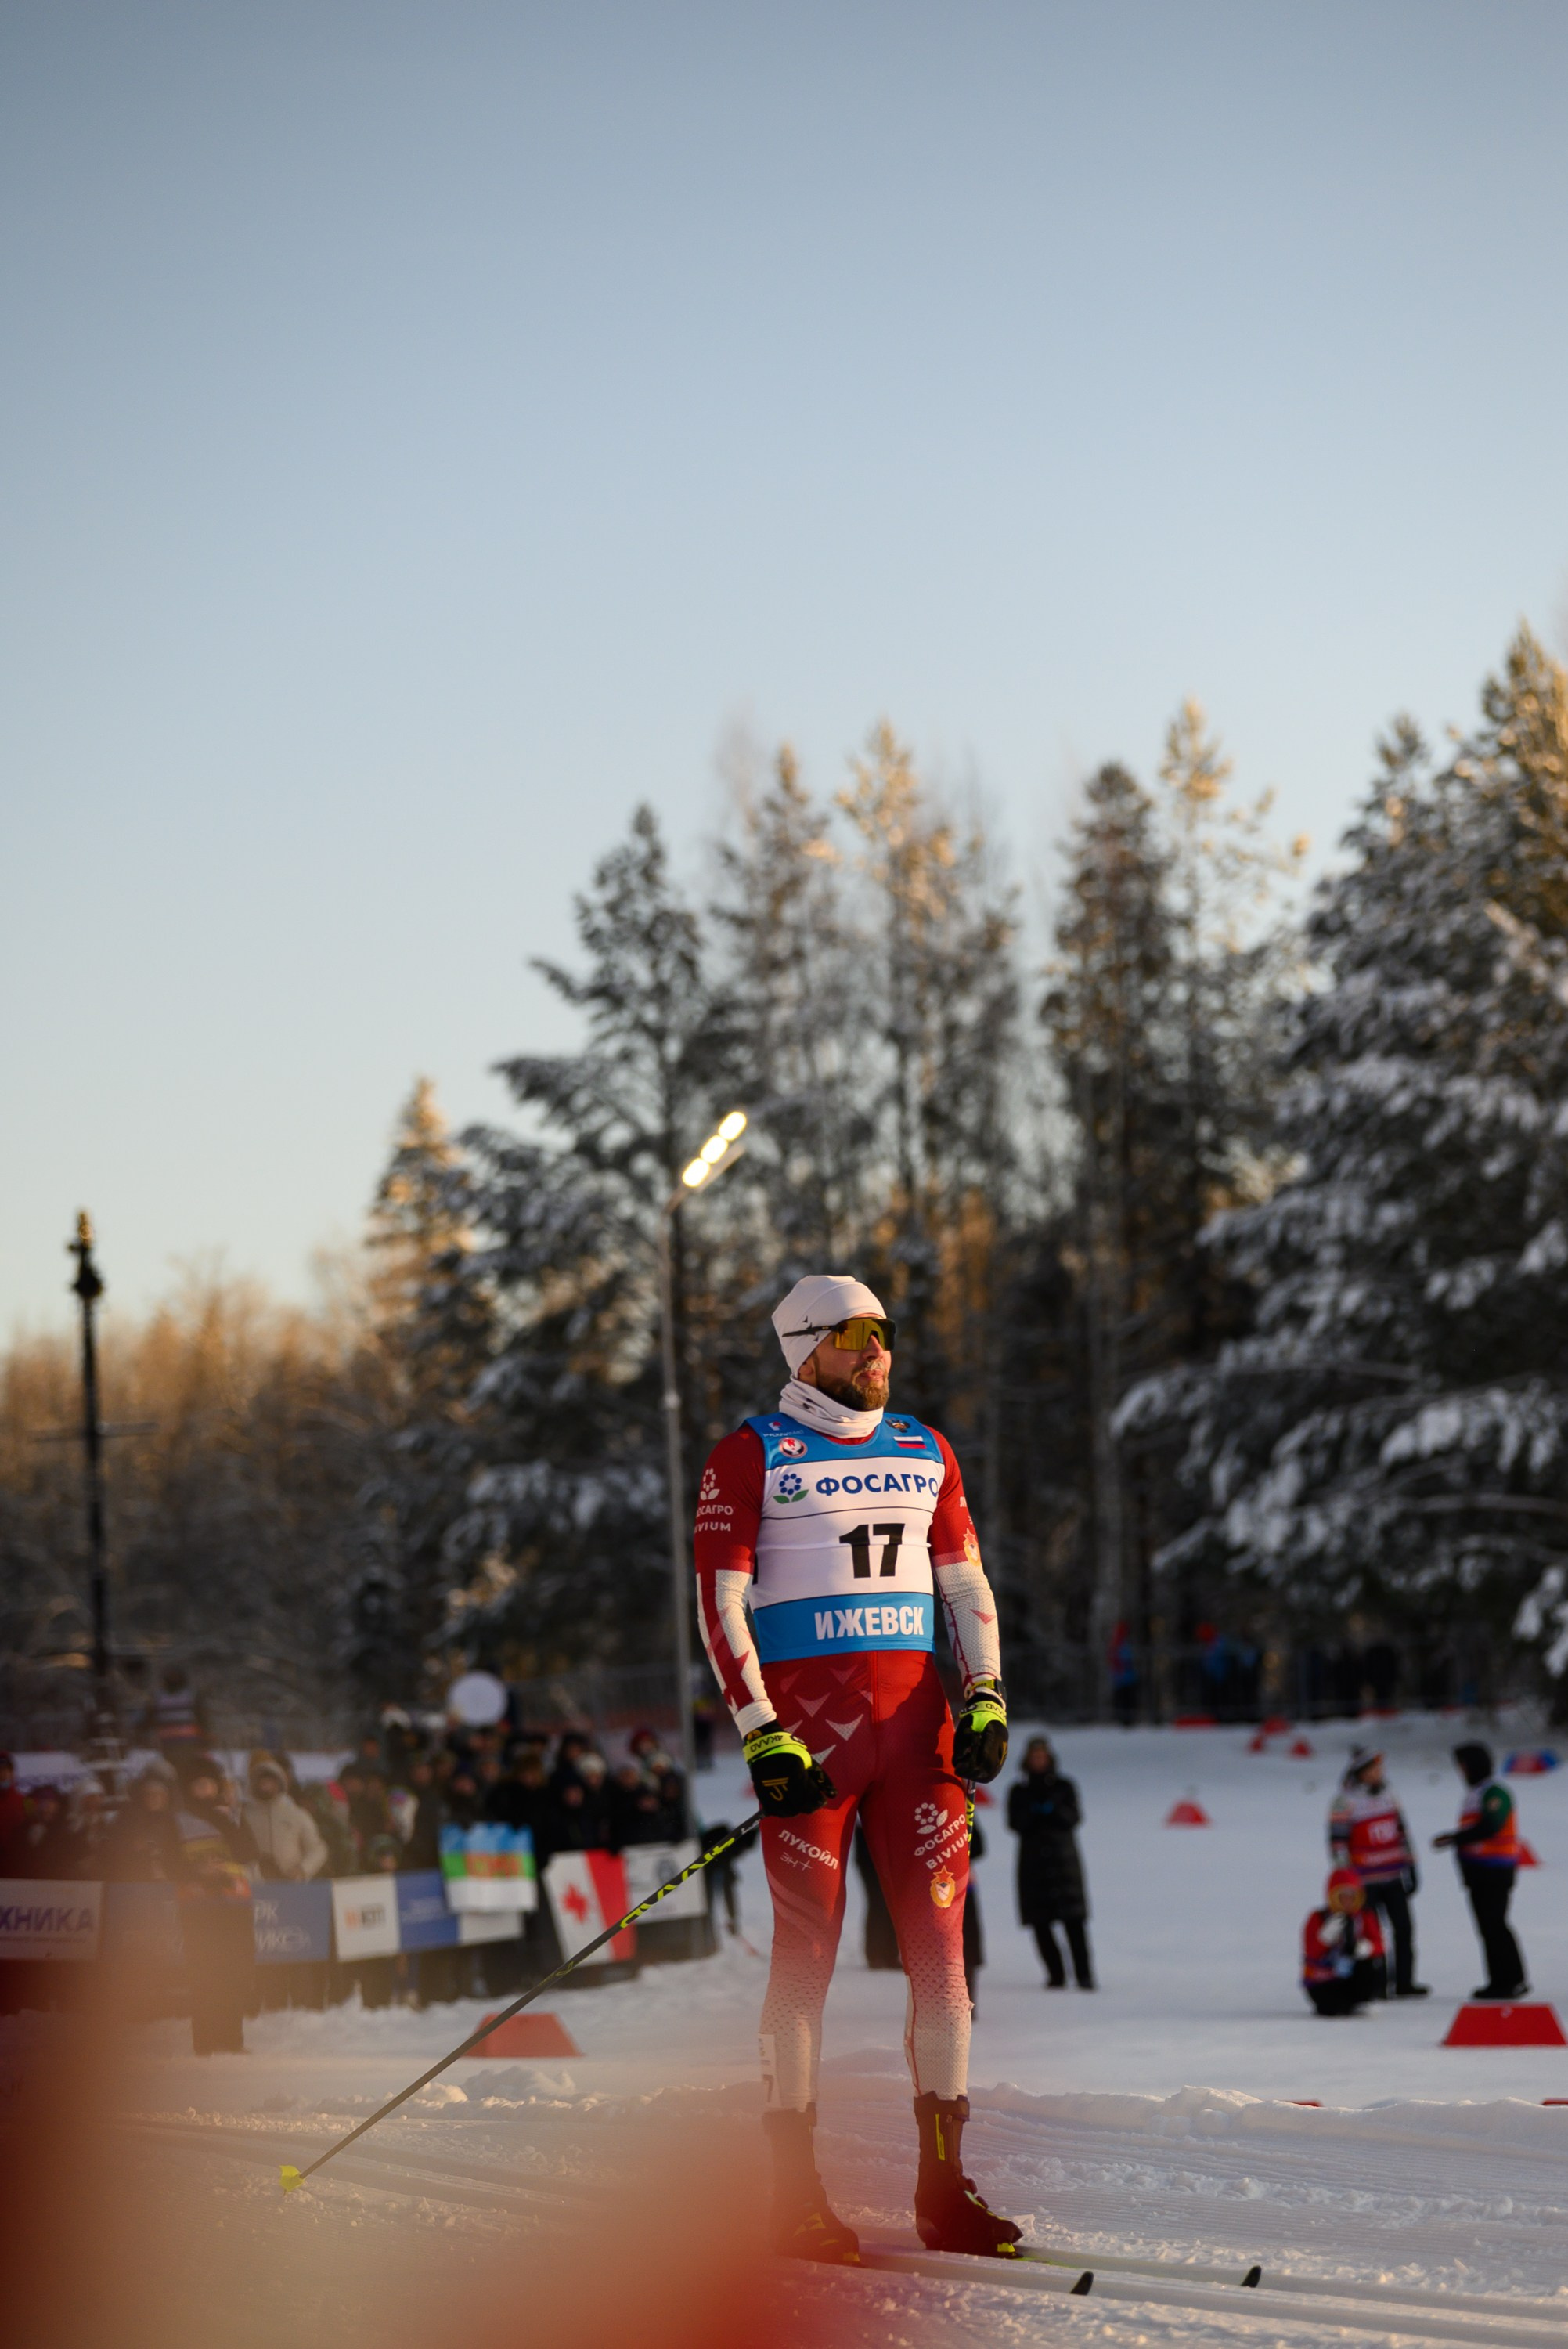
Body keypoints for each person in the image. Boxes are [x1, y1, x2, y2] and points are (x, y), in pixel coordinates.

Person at [694, 1272, 1015, 2261]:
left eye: (885, 1331)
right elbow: (719, 1603)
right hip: (811, 1745)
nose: (877, 1350)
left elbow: (963, 1582)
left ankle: (941, 2188)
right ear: (803, 1351)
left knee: (942, 1965)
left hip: (917, 1742)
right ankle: (793, 2194)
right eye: (853, 1334)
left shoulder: (924, 1448)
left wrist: (987, 1693)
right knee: (805, 1964)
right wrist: (757, 1729)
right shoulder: (750, 1453)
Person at [172, 1755, 258, 2055]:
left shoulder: (232, 1815)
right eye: (198, 1785)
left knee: (235, 1973)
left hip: (234, 1906)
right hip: (198, 1910)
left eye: (209, 1784)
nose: (205, 1790)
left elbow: (248, 1852)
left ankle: (233, 2040)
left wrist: (223, 1819)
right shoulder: (178, 1820)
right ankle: (205, 2043)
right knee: (205, 1974)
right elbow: (170, 1865)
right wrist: (199, 1873)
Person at [1328, 1748, 1427, 1998]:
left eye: (1380, 1770)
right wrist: (1346, 1878)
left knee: (1404, 1929)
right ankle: (1377, 1983)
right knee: (1372, 1934)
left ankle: (1404, 1981)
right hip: (1365, 1881)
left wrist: (1411, 1865)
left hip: (1393, 1876)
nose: (1378, 1774)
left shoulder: (1389, 1796)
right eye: (1373, 1770)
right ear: (1360, 1774)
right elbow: (1338, 1844)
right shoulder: (1344, 1802)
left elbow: (1402, 1833)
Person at [1433, 1741, 1528, 1999]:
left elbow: (1491, 1826)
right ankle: (1502, 1979)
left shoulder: (1494, 1792)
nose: (1461, 1771)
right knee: (1488, 1926)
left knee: (1495, 1924)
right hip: (1478, 1871)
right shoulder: (1475, 1794)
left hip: (1495, 1869)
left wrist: (1455, 1839)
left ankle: (1508, 1980)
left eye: (1463, 1766)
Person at [1007, 1737, 1093, 1990]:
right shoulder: (1019, 1791)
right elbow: (1015, 1823)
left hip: (1064, 1862)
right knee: (1040, 1923)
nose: (1038, 1761)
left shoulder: (1064, 1787)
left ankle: (1084, 1975)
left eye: (1042, 1757)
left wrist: (1053, 1810)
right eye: (1034, 1757)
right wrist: (1034, 1814)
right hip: (1033, 1865)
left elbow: (1074, 1817)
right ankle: (1056, 1975)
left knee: (1074, 1922)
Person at [1302, 1868, 1387, 2016]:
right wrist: (1324, 1939)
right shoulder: (1318, 1918)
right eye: (1342, 1896)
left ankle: (1361, 2000)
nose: (1347, 1901)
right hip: (1324, 1978)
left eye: (1352, 1896)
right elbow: (1311, 1953)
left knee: (1371, 1966)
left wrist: (1365, 1948)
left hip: (1353, 1975)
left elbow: (1380, 1945)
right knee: (1330, 2008)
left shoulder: (1365, 1917)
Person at [242, 1755, 328, 1882]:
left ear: (280, 1784)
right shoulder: (243, 1815)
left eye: (270, 1782)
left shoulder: (297, 1815)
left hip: (291, 1885)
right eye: (262, 1783)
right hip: (253, 1885)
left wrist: (303, 1869)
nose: (265, 1787)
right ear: (253, 1784)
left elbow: (317, 1849)